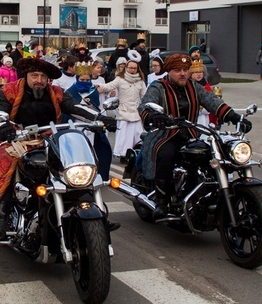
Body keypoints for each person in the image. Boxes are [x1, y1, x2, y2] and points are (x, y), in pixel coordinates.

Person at [0, 57, 113, 240]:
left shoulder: (56, 92)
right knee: (6, 162)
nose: (39, 80)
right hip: (17, 139)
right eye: (35, 75)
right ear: (26, 76)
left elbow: (75, 107)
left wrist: (100, 118)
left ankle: (93, 212)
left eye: (43, 76)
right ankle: (2, 217)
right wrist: (3, 127)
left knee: (76, 164)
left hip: (50, 138)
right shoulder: (9, 90)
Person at [138, 54, 251, 219]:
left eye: (185, 70)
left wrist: (235, 117)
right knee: (166, 156)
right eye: (178, 70)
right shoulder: (158, 87)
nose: (183, 73)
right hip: (165, 134)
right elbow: (145, 105)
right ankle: (162, 201)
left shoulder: (193, 86)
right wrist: (154, 116)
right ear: (169, 71)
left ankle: (200, 192)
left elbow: (211, 100)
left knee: (207, 156)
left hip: (190, 134)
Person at [65, 62, 112, 180]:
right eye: (82, 79)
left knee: (98, 150)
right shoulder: (70, 92)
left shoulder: (93, 91)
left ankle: (96, 174)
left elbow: (96, 107)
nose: (85, 82)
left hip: (91, 126)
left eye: (87, 80)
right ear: (77, 78)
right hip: (75, 126)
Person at [97, 58, 146, 162]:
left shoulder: (140, 81)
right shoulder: (120, 79)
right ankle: (123, 154)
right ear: (126, 68)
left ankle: (135, 153)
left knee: (138, 135)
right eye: (130, 68)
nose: (132, 70)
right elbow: (109, 86)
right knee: (124, 135)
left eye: (134, 68)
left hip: (136, 113)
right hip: (123, 112)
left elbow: (144, 96)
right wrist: (98, 86)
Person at [189, 59, 215, 127]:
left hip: (204, 120)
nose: (199, 74)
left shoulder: (206, 87)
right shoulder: (187, 86)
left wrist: (202, 108)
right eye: (196, 72)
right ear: (191, 74)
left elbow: (210, 107)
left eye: (201, 72)